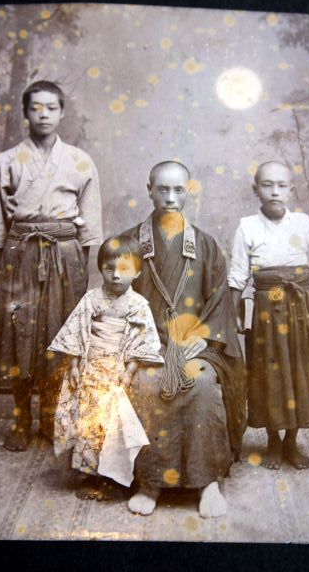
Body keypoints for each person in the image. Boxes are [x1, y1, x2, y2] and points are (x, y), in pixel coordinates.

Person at [0, 80, 103, 451]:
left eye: (51, 108)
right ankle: (21, 419)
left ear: (62, 113)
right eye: (36, 108)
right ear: (25, 113)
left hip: (65, 255)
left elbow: (89, 227)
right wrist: (4, 271)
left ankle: (50, 415)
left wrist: (78, 271)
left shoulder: (80, 161)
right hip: (21, 255)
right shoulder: (5, 162)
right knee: (19, 334)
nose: (43, 115)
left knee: (60, 334)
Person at [122, 161, 246, 518]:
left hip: (196, 344)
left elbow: (220, 301)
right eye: (163, 189)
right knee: (148, 384)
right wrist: (142, 345)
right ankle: (150, 481)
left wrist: (204, 338)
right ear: (149, 190)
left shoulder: (205, 245)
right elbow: (115, 299)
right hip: (146, 345)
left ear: (188, 191)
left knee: (202, 383)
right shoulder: (130, 243)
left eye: (179, 190)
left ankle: (207, 483)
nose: (171, 197)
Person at [228, 160, 309, 470]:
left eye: (281, 185)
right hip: (265, 312)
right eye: (267, 185)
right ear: (256, 190)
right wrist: (235, 316)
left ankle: (291, 441)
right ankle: (273, 441)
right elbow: (237, 276)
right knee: (269, 375)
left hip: (301, 310)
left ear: (291, 189)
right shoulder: (247, 226)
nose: (274, 191)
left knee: (299, 373)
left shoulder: (303, 223)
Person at [48, 236, 164, 500]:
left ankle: (113, 478)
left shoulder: (138, 305)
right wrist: (74, 364)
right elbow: (77, 331)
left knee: (113, 423)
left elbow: (142, 341)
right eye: (109, 268)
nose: (115, 275)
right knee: (87, 421)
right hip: (89, 368)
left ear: (137, 271)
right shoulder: (91, 299)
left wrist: (130, 370)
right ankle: (90, 474)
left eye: (123, 269)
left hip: (117, 370)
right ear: (100, 268)